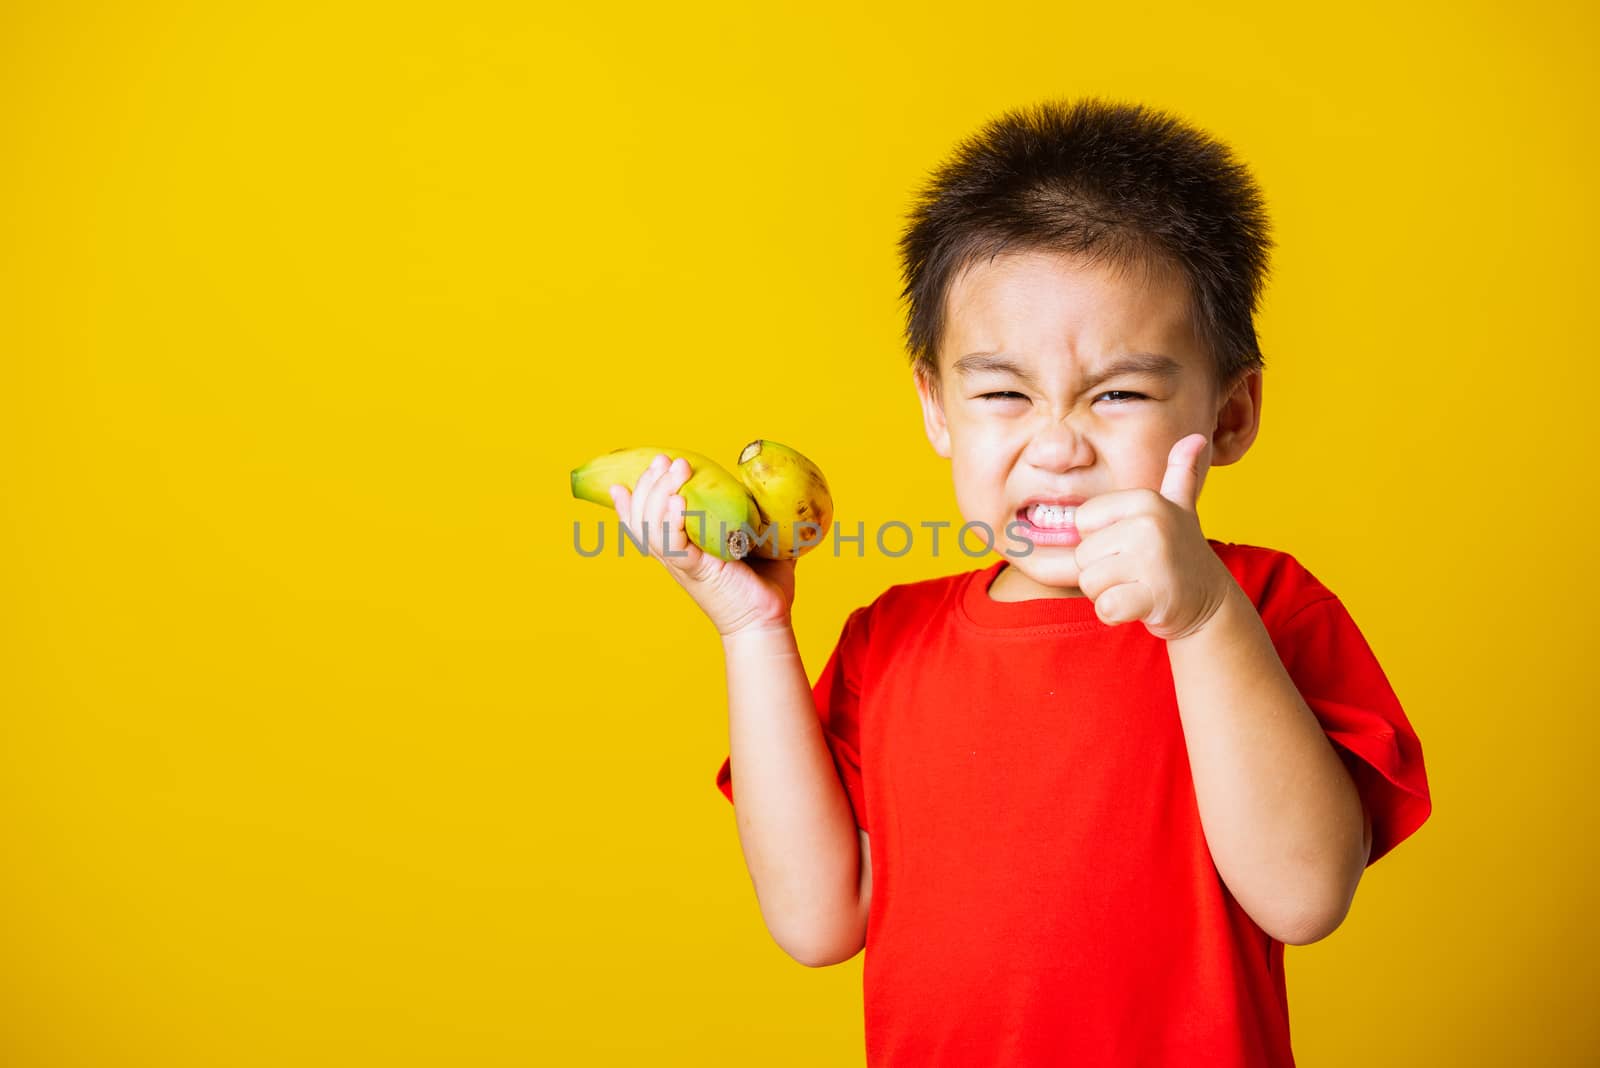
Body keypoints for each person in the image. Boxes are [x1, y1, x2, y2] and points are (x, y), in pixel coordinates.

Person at [605, 97, 1431, 1067]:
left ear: (1234, 411)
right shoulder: (891, 640)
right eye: (1002, 393)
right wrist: (751, 630)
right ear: (937, 409)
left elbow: (1302, 897)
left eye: (1119, 393)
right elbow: (816, 921)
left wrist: (1205, 618)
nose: (1057, 447)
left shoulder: (1262, 608)